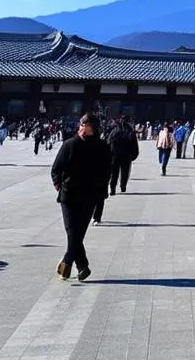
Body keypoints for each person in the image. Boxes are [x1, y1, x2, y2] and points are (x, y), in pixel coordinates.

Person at [50, 112, 111, 282]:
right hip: (69, 195)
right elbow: (56, 169)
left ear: (94, 128)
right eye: (82, 125)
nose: (83, 129)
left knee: (78, 234)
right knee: (72, 231)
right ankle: (81, 265)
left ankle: (72, 263)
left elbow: (107, 172)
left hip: (90, 196)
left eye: (87, 126)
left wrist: (102, 192)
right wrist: (58, 185)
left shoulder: (102, 147)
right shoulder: (69, 145)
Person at [107, 116, 140, 195]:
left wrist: (109, 154)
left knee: (114, 173)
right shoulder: (130, 131)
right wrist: (134, 155)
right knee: (125, 172)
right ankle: (123, 186)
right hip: (126, 155)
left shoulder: (114, 131)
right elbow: (134, 145)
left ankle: (112, 188)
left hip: (115, 155)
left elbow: (108, 142)